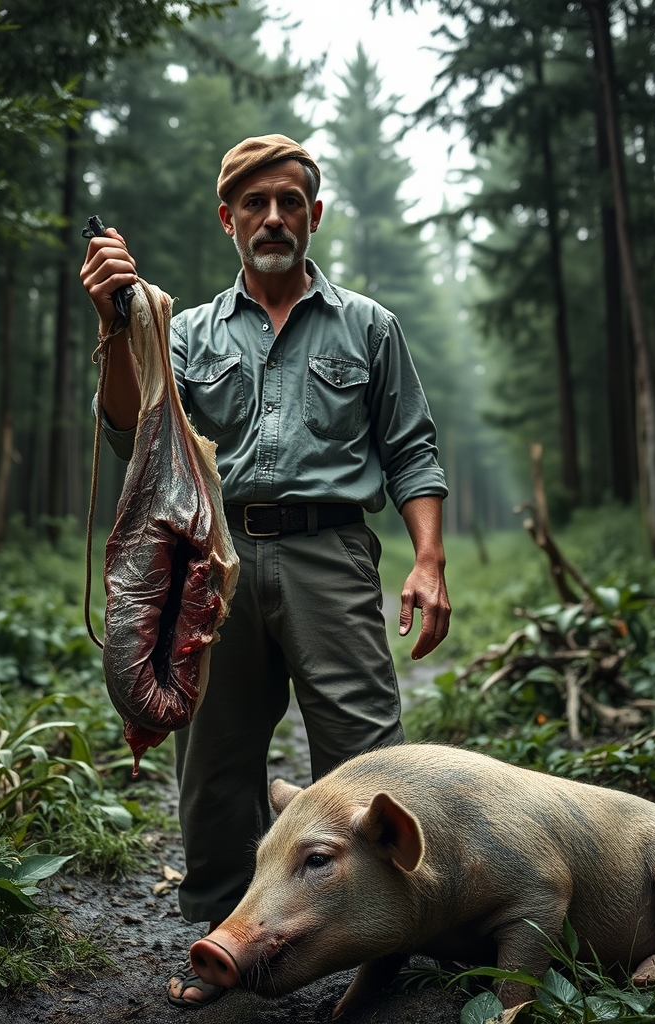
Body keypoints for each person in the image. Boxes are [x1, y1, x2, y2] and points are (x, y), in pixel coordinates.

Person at [79, 134, 451, 1008]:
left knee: (366, 762)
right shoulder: (188, 330)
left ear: (314, 215)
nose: (274, 217)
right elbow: (134, 434)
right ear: (228, 219)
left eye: (291, 201)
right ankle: (222, 940)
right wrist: (113, 321)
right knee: (212, 763)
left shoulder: (369, 326)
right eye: (255, 203)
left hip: (331, 554)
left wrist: (428, 559)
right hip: (217, 563)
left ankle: (385, 939)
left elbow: (412, 449)